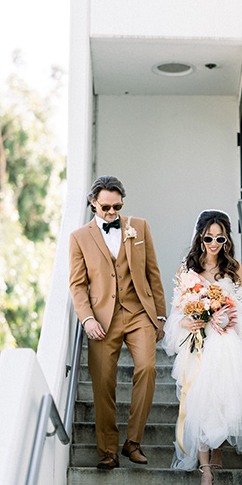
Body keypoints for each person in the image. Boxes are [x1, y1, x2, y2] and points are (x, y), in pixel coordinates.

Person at [69, 175, 166, 469]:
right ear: (93, 203)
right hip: (101, 319)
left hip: (139, 313)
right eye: (106, 207)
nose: (112, 213)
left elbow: (153, 273)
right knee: (102, 383)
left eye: (117, 207)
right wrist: (86, 319)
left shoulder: (140, 227)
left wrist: (160, 315)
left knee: (148, 368)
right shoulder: (78, 238)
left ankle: (133, 442)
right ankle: (108, 450)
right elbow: (77, 285)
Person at [162, 209, 242, 485]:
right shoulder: (188, 269)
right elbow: (177, 313)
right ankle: (206, 471)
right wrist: (190, 320)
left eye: (220, 238)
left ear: (227, 239)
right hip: (199, 345)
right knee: (201, 403)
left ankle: (218, 447)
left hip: (228, 343)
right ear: (200, 238)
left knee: (224, 400)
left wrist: (227, 315)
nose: (214, 243)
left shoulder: (234, 268)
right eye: (208, 238)